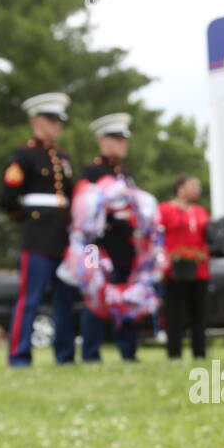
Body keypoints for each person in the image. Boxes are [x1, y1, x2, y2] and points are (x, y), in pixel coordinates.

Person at [0, 92, 77, 367]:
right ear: (35, 121)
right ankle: (19, 356)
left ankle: (65, 355)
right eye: (51, 119)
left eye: (59, 121)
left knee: (65, 300)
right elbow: (7, 198)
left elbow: (72, 197)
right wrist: (27, 219)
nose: (57, 125)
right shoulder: (24, 155)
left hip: (63, 237)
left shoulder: (63, 158)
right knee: (29, 299)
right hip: (37, 237)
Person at [79, 113, 139, 363]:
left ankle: (128, 352)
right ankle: (91, 352)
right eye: (116, 139)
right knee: (95, 296)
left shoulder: (125, 173)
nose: (122, 144)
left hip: (124, 244)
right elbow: (84, 208)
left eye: (124, 139)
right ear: (103, 141)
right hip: (96, 246)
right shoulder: (91, 171)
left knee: (126, 294)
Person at [159, 176, 211, 360]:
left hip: (200, 270)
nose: (198, 189)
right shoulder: (165, 210)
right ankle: (174, 353)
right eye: (193, 185)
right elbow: (156, 237)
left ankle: (200, 352)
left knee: (199, 314)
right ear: (180, 188)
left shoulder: (200, 211)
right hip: (174, 271)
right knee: (174, 314)